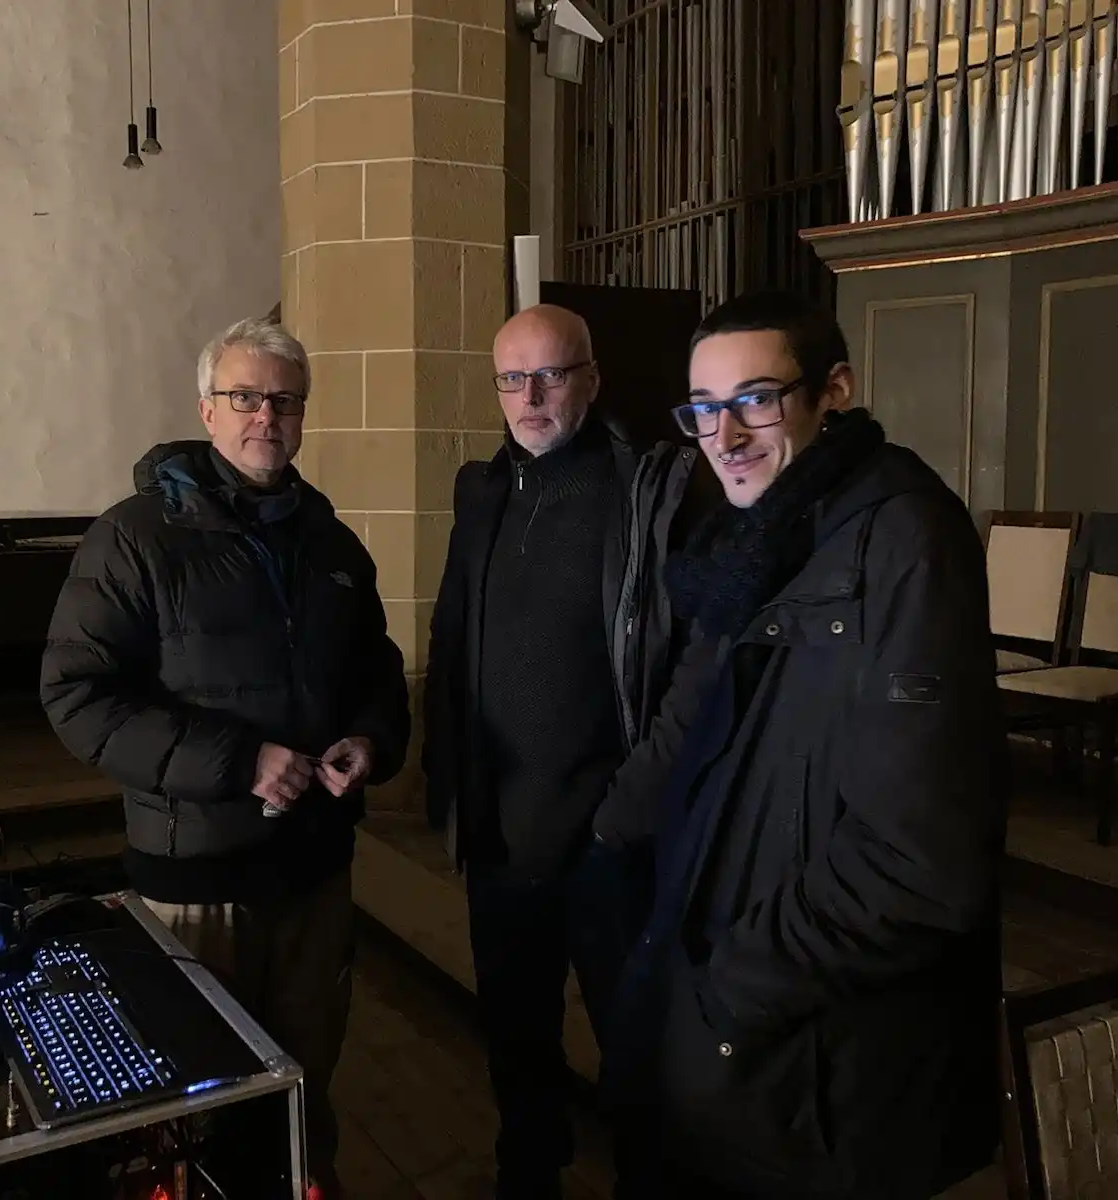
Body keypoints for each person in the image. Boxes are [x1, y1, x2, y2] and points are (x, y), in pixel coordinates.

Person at [607, 290, 1006, 1199]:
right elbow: (692, 719)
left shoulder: (905, 539)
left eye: (756, 398)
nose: (726, 434)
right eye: (704, 408)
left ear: (834, 391)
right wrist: (609, 839)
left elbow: (916, 863)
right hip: (728, 991)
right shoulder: (759, 535)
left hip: (814, 1042)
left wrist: (726, 995)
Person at [40, 317, 410, 1200]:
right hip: (196, 880)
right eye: (245, 397)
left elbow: (379, 671)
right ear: (207, 409)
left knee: (303, 1085)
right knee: (192, 1106)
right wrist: (239, 761)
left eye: (284, 401)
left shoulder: (331, 541)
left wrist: (370, 739)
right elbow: (77, 697)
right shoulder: (133, 539)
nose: (265, 417)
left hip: (315, 873)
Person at [421, 303, 705, 1199]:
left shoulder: (649, 489)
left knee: (636, 1054)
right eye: (512, 378)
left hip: (608, 839)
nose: (531, 397)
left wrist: (630, 808)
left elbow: (688, 664)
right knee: (516, 1038)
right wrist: (446, 787)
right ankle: (528, 1176)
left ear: (591, 377)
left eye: (551, 375)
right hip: (502, 834)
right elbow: (452, 631)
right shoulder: (481, 489)